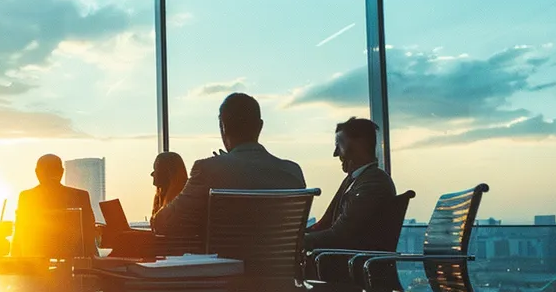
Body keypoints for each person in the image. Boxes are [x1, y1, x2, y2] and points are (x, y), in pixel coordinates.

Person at [151, 93, 305, 244]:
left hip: (224, 269)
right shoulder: (292, 172)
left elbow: (164, 224)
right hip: (280, 269)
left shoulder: (208, 170)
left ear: (222, 127)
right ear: (260, 126)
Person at [305, 117, 397, 251]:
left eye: (339, 145)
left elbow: (339, 235)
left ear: (359, 145)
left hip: (348, 265)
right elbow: (325, 224)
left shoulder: (373, 184)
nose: (335, 153)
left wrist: (295, 241)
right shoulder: (358, 180)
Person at [12, 154, 98, 258]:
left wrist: (14, 262)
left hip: (35, 262)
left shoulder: (26, 197)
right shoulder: (80, 196)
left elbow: (19, 234)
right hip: (74, 263)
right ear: (61, 171)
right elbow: (89, 234)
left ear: (37, 172)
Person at [151, 151, 188, 222]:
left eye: (156, 169)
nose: (152, 174)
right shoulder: (161, 199)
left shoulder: (178, 207)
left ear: (168, 173)